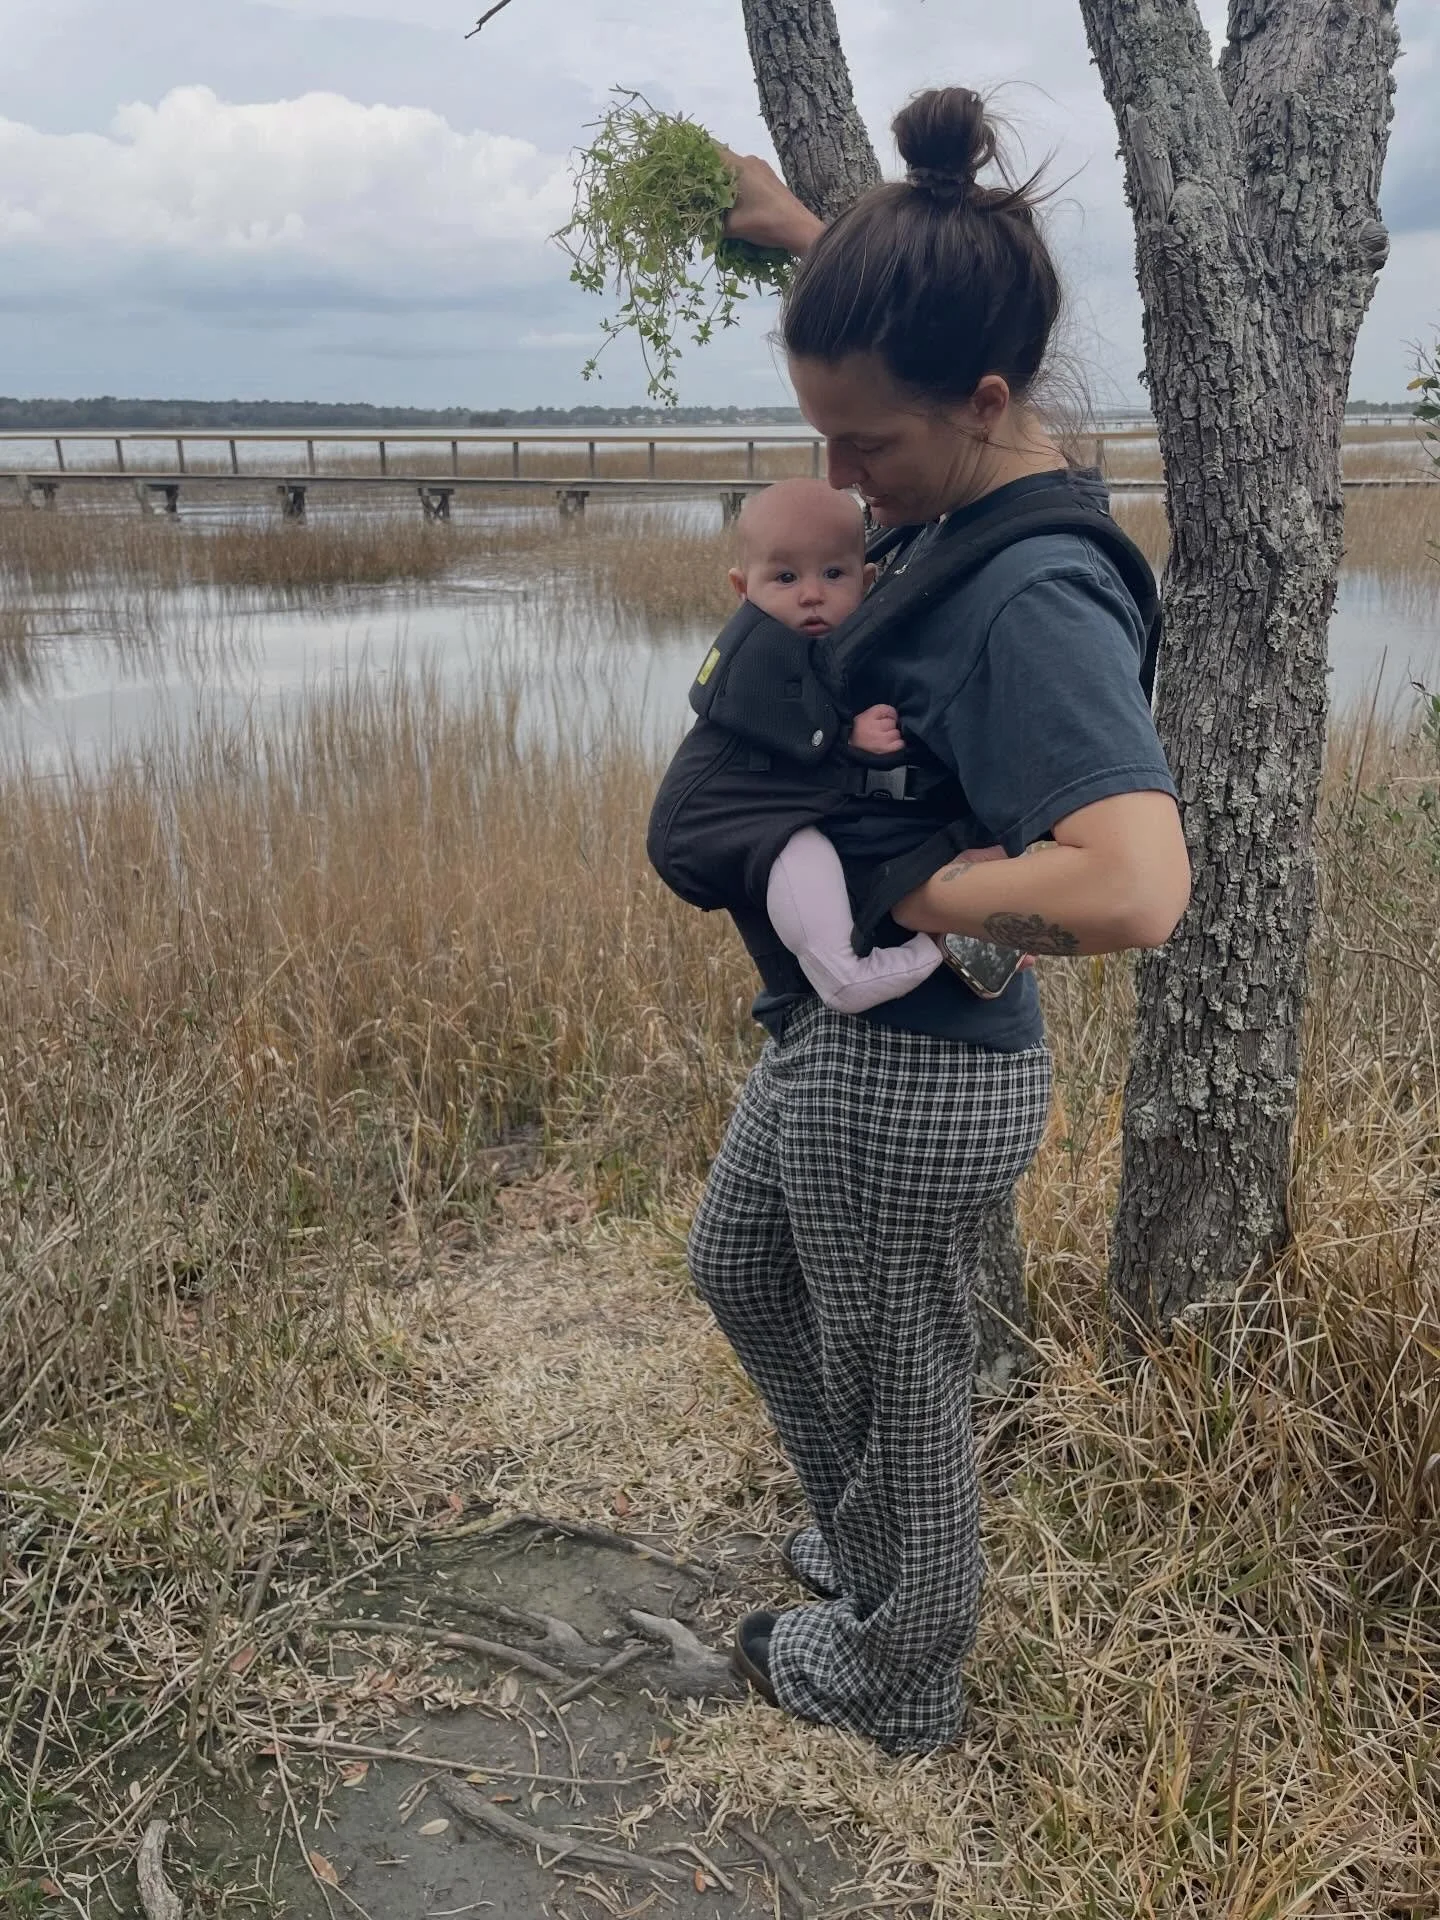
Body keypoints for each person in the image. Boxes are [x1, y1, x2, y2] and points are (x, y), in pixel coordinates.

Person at [681, 86, 1192, 1754]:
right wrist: (813, 241)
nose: (838, 486)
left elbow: (1135, 881)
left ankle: (900, 1672)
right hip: (854, 1040)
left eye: (866, 450)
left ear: (981, 405)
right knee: (742, 1265)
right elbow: (916, 357)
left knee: (906, 1388)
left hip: (920, 1070)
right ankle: (877, 1556)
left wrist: (916, 884)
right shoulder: (959, 476)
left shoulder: (1033, 593)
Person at [728, 476, 950, 1015]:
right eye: (784, 577)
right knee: (803, 870)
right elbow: (769, 726)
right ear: (743, 589)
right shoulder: (755, 656)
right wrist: (847, 736)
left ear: (867, 580)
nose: (811, 594)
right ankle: (853, 974)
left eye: (834, 574)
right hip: (774, 826)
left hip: (832, 831)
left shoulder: (851, 651)